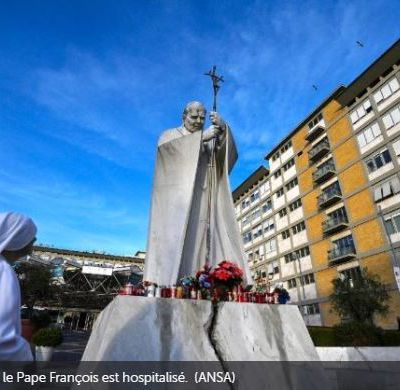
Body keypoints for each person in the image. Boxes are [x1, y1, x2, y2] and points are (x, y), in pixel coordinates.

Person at [144, 101, 252, 286]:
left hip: (206, 199)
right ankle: (170, 282)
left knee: (204, 240)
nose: (198, 121)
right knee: (182, 240)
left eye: (202, 118)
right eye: (194, 117)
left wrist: (223, 129)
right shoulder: (170, 135)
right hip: (179, 202)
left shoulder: (209, 140)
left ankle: (204, 281)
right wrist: (201, 138)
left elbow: (226, 160)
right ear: (184, 116)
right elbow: (166, 154)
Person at [0, 212, 36, 361]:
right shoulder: (4, 271)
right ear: (16, 239)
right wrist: (26, 358)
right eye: (30, 240)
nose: (31, 249)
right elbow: (4, 338)